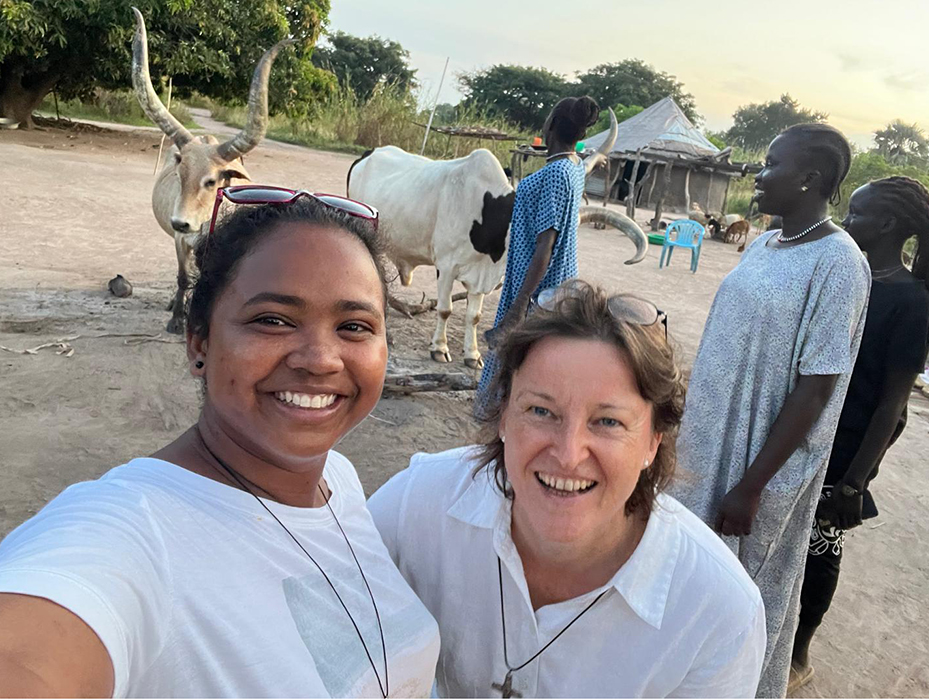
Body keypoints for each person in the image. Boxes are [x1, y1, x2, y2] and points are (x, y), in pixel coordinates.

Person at [0, 188, 440, 697]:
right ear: (199, 343)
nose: (320, 359)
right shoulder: (130, 533)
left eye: (354, 326)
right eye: (272, 320)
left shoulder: (336, 480)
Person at [370, 280, 767, 698]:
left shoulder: (718, 612)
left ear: (654, 441)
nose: (567, 454)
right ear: (504, 416)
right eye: (541, 411)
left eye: (608, 422)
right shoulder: (418, 505)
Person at [671, 123, 871, 698]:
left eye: (771, 164)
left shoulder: (839, 264)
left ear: (808, 178)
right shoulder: (764, 243)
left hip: (755, 459)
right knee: (688, 572)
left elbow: (815, 389)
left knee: (740, 592)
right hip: (708, 444)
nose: (758, 175)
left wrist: (752, 485)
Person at [788, 176, 929, 691]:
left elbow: (892, 404)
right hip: (805, 430)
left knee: (820, 548)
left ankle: (798, 653)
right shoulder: (851, 275)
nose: (847, 220)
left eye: (858, 213)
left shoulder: (910, 303)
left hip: (848, 448)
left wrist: (854, 482)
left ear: (887, 224)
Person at [475, 96, 601, 418]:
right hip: (549, 285)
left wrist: (518, 309)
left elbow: (544, 248)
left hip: (538, 290)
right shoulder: (573, 166)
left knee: (516, 364)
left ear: (551, 127)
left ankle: (504, 426)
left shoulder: (556, 175)